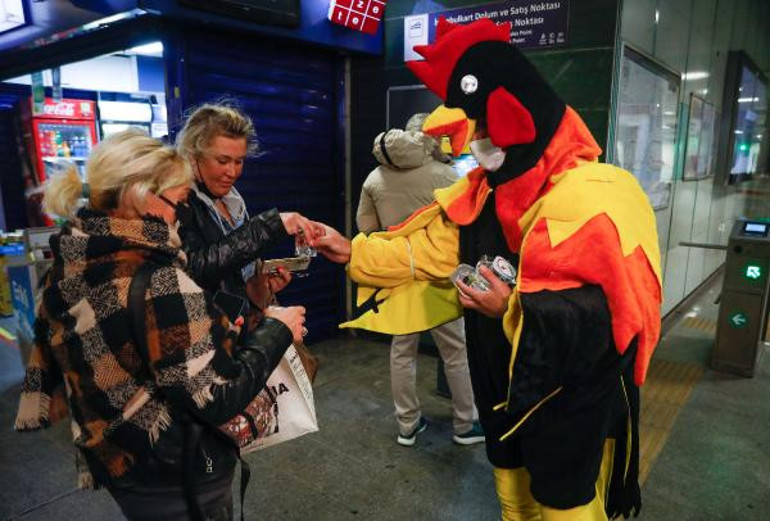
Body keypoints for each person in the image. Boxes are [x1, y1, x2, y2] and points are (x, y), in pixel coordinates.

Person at [317, 18, 662, 521]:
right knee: (513, 493)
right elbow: (426, 253)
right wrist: (352, 251)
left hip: (572, 399)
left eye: (479, 126)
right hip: (499, 375)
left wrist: (514, 307)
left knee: (566, 500)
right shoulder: (482, 193)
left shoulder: (595, 194)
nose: (475, 140)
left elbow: (611, 315)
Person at [15, 129, 306, 521]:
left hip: (117, 458)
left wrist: (250, 308)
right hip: (179, 472)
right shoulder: (158, 279)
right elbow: (217, 395)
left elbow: (139, 351)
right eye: (179, 203)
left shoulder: (72, 259)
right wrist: (278, 330)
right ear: (141, 195)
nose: (180, 217)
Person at [356, 119, 483, 446]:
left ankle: (407, 425)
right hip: (438, 276)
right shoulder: (447, 176)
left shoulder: (373, 178)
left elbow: (365, 227)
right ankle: (466, 425)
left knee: (402, 351)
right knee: (456, 350)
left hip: (396, 274)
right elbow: (466, 225)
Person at [175, 103, 324, 330]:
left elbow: (229, 274)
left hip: (239, 332)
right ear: (193, 156)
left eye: (239, 161)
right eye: (222, 161)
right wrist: (272, 226)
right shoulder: (179, 203)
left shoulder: (232, 201)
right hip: (208, 337)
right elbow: (194, 270)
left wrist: (260, 288)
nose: (232, 172)